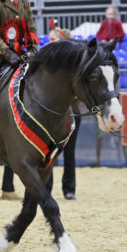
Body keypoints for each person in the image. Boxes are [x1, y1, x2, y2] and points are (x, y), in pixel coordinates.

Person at [45, 23, 80, 200]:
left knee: (69, 151)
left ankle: (69, 188)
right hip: (51, 113)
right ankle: (47, 188)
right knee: (49, 151)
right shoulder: (47, 62)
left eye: (53, 39)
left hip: (71, 111)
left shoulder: (73, 65)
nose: (49, 42)